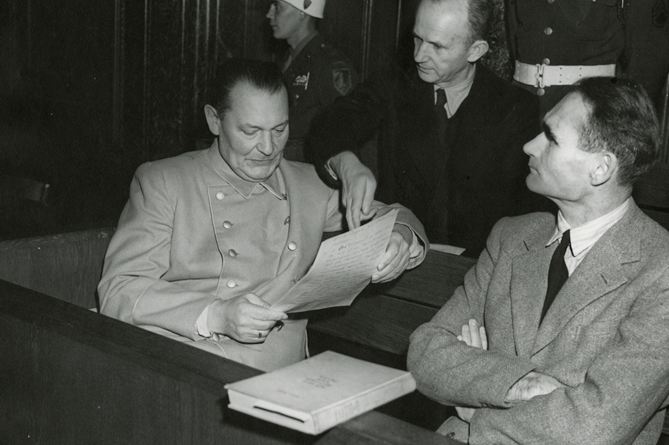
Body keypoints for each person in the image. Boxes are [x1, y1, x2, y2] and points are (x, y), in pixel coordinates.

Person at [98, 58, 427, 372]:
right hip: (190, 363)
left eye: (279, 129)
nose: (269, 148)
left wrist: (400, 238)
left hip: (278, 373)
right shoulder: (166, 181)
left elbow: (396, 215)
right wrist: (216, 315)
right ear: (214, 120)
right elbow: (119, 290)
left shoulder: (308, 185)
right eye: (250, 131)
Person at [407, 77, 669, 444]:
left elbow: (591, 431)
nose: (529, 145)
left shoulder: (660, 269)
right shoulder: (512, 237)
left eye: (551, 138)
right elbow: (424, 353)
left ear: (601, 169)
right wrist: (517, 386)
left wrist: (476, 400)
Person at [307, 0, 550, 258]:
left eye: (436, 46)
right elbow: (329, 123)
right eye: (417, 39)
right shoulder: (395, 83)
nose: (418, 56)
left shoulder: (515, 108)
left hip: (478, 267)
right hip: (399, 258)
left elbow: (525, 219)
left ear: (475, 50)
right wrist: (347, 163)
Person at [507, 0, 669, 116]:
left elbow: (647, 66)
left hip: (591, 113)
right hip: (521, 108)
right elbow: (515, 39)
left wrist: (620, 122)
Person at [266, 0, 359, 162]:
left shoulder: (330, 65)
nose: (269, 14)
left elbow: (346, 135)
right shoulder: (288, 58)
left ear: (303, 12)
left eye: (278, 7)